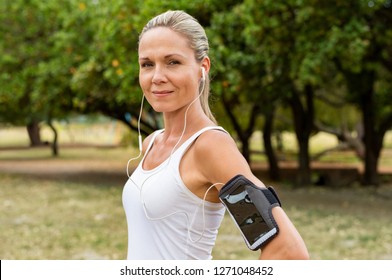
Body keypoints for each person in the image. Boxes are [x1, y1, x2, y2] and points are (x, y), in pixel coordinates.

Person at [122, 10, 309, 260]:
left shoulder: (209, 146)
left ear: (203, 67)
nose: (157, 77)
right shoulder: (150, 143)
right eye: (147, 64)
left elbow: (289, 251)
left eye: (172, 62)